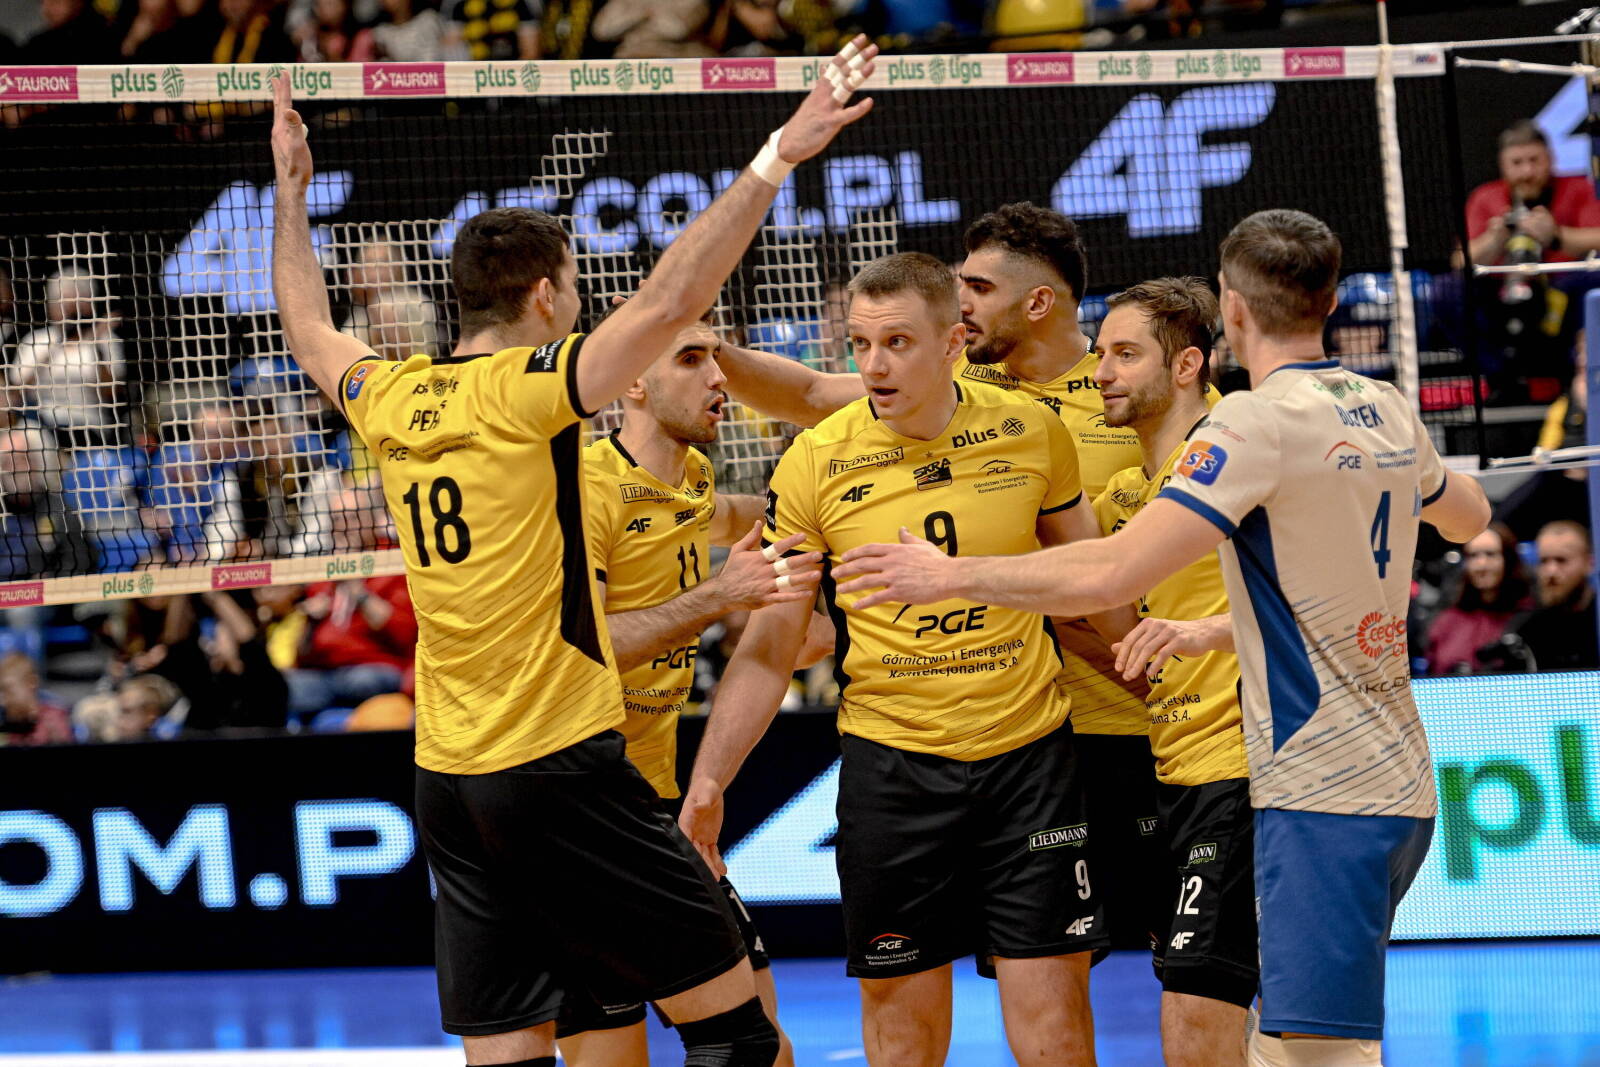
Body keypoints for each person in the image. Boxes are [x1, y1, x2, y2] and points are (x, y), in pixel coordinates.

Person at [269, 37, 878, 1065]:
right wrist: (781, 152)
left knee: (512, 1052)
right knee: (737, 1032)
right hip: (555, 762)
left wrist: (292, 192)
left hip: (446, 775)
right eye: (575, 285)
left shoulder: (392, 392)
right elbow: (671, 300)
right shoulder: (529, 389)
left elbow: (305, 324)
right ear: (546, 298)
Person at [832, 209, 1492, 1067]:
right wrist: (1218, 627)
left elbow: (1110, 574)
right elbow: (1468, 517)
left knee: (1271, 1044)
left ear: (1232, 308)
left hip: (1306, 783)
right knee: (1294, 1046)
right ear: (1330, 301)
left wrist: (951, 575)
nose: (1103, 372)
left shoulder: (1247, 424)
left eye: (1124, 354)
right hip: (1395, 775)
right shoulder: (1383, 405)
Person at [707, 202, 1208, 953]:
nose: (962, 300)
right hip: (1039, 723)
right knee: (1038, 965)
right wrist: (701, 346)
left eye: (978, 287)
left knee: (1187, 957)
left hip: (1144, 715)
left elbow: (1132, 553)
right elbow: (815, 406)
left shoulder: (1128, 393)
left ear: (1037, 302)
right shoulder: (946, 377)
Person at [681, 252, 1127, 1067]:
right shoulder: (816, 459)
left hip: (1028, 759)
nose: (874, 365)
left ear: (953, 342)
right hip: (894, 770)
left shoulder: (1030, 430)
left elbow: (1096, 581)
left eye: (896, 342)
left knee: (1058, 1028)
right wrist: (710, 778)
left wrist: (1163, 665)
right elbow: (773, 642)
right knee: (901, 1035)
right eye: (860, 343)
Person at [562, 312, 819, 1066]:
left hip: (657, 803)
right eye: (691, 359)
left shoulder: (693, 477)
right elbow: (576, 650)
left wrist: (824, 512)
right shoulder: (586, 487)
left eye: (716, 355)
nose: (718, 376)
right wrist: (719, 596)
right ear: (633, 382)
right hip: (579, 811)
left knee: (761, 1043)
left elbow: (723, 516)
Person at [1088, 278, 1255, 1066]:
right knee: (1262, 1023)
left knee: (1195, 1016)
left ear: (1187, 364)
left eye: (1125, 354)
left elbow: (1317, 601)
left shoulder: (1241, 451)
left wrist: (1204, 633)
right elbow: (1084, 585)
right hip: (1176, 772)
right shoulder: (1127, 493)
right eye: (1100, 354)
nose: (1102, 373)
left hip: (1250, 768)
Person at [1466, 121, 1600, 393]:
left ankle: (1578, 378)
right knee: (1448, 290)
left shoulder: (1578, 189)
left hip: (1564, 291)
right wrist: (1494, 239)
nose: (1527, 171)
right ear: (1503, 165)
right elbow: (1461, 260)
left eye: (1534, 160)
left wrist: (1556, 236)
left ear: (1550, 159)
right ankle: (1499, 378)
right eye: (1517, 163)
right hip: (1502, 294)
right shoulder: (1485, 197)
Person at [9, 266, 127, 450]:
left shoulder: (106, 340)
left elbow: (112, 394)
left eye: (76, 302)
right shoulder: (36, 341)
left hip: (89, 425)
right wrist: (56, 345)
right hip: (42, 425)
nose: (69, 310)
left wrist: (95, 342)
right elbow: (17, 393)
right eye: (62, 303)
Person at [1423, 523, 1532, 675]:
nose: (1481, 565)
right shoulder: (1447, 621)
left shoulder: (1529, 619)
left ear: (1508, 559)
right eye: (1473, 556)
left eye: (1490, 554)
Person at [1512, 519, 1598, 670]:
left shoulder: (1596, 620)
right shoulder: (1527, 629)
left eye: (1561, 560)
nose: (1551, 572)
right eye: (1544, 561)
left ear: (1589, 563)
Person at [0, 652, 73, 747]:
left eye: (8, 691)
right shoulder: (7, 727)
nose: (2, 702)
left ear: (31, 683)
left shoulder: (53, 721)